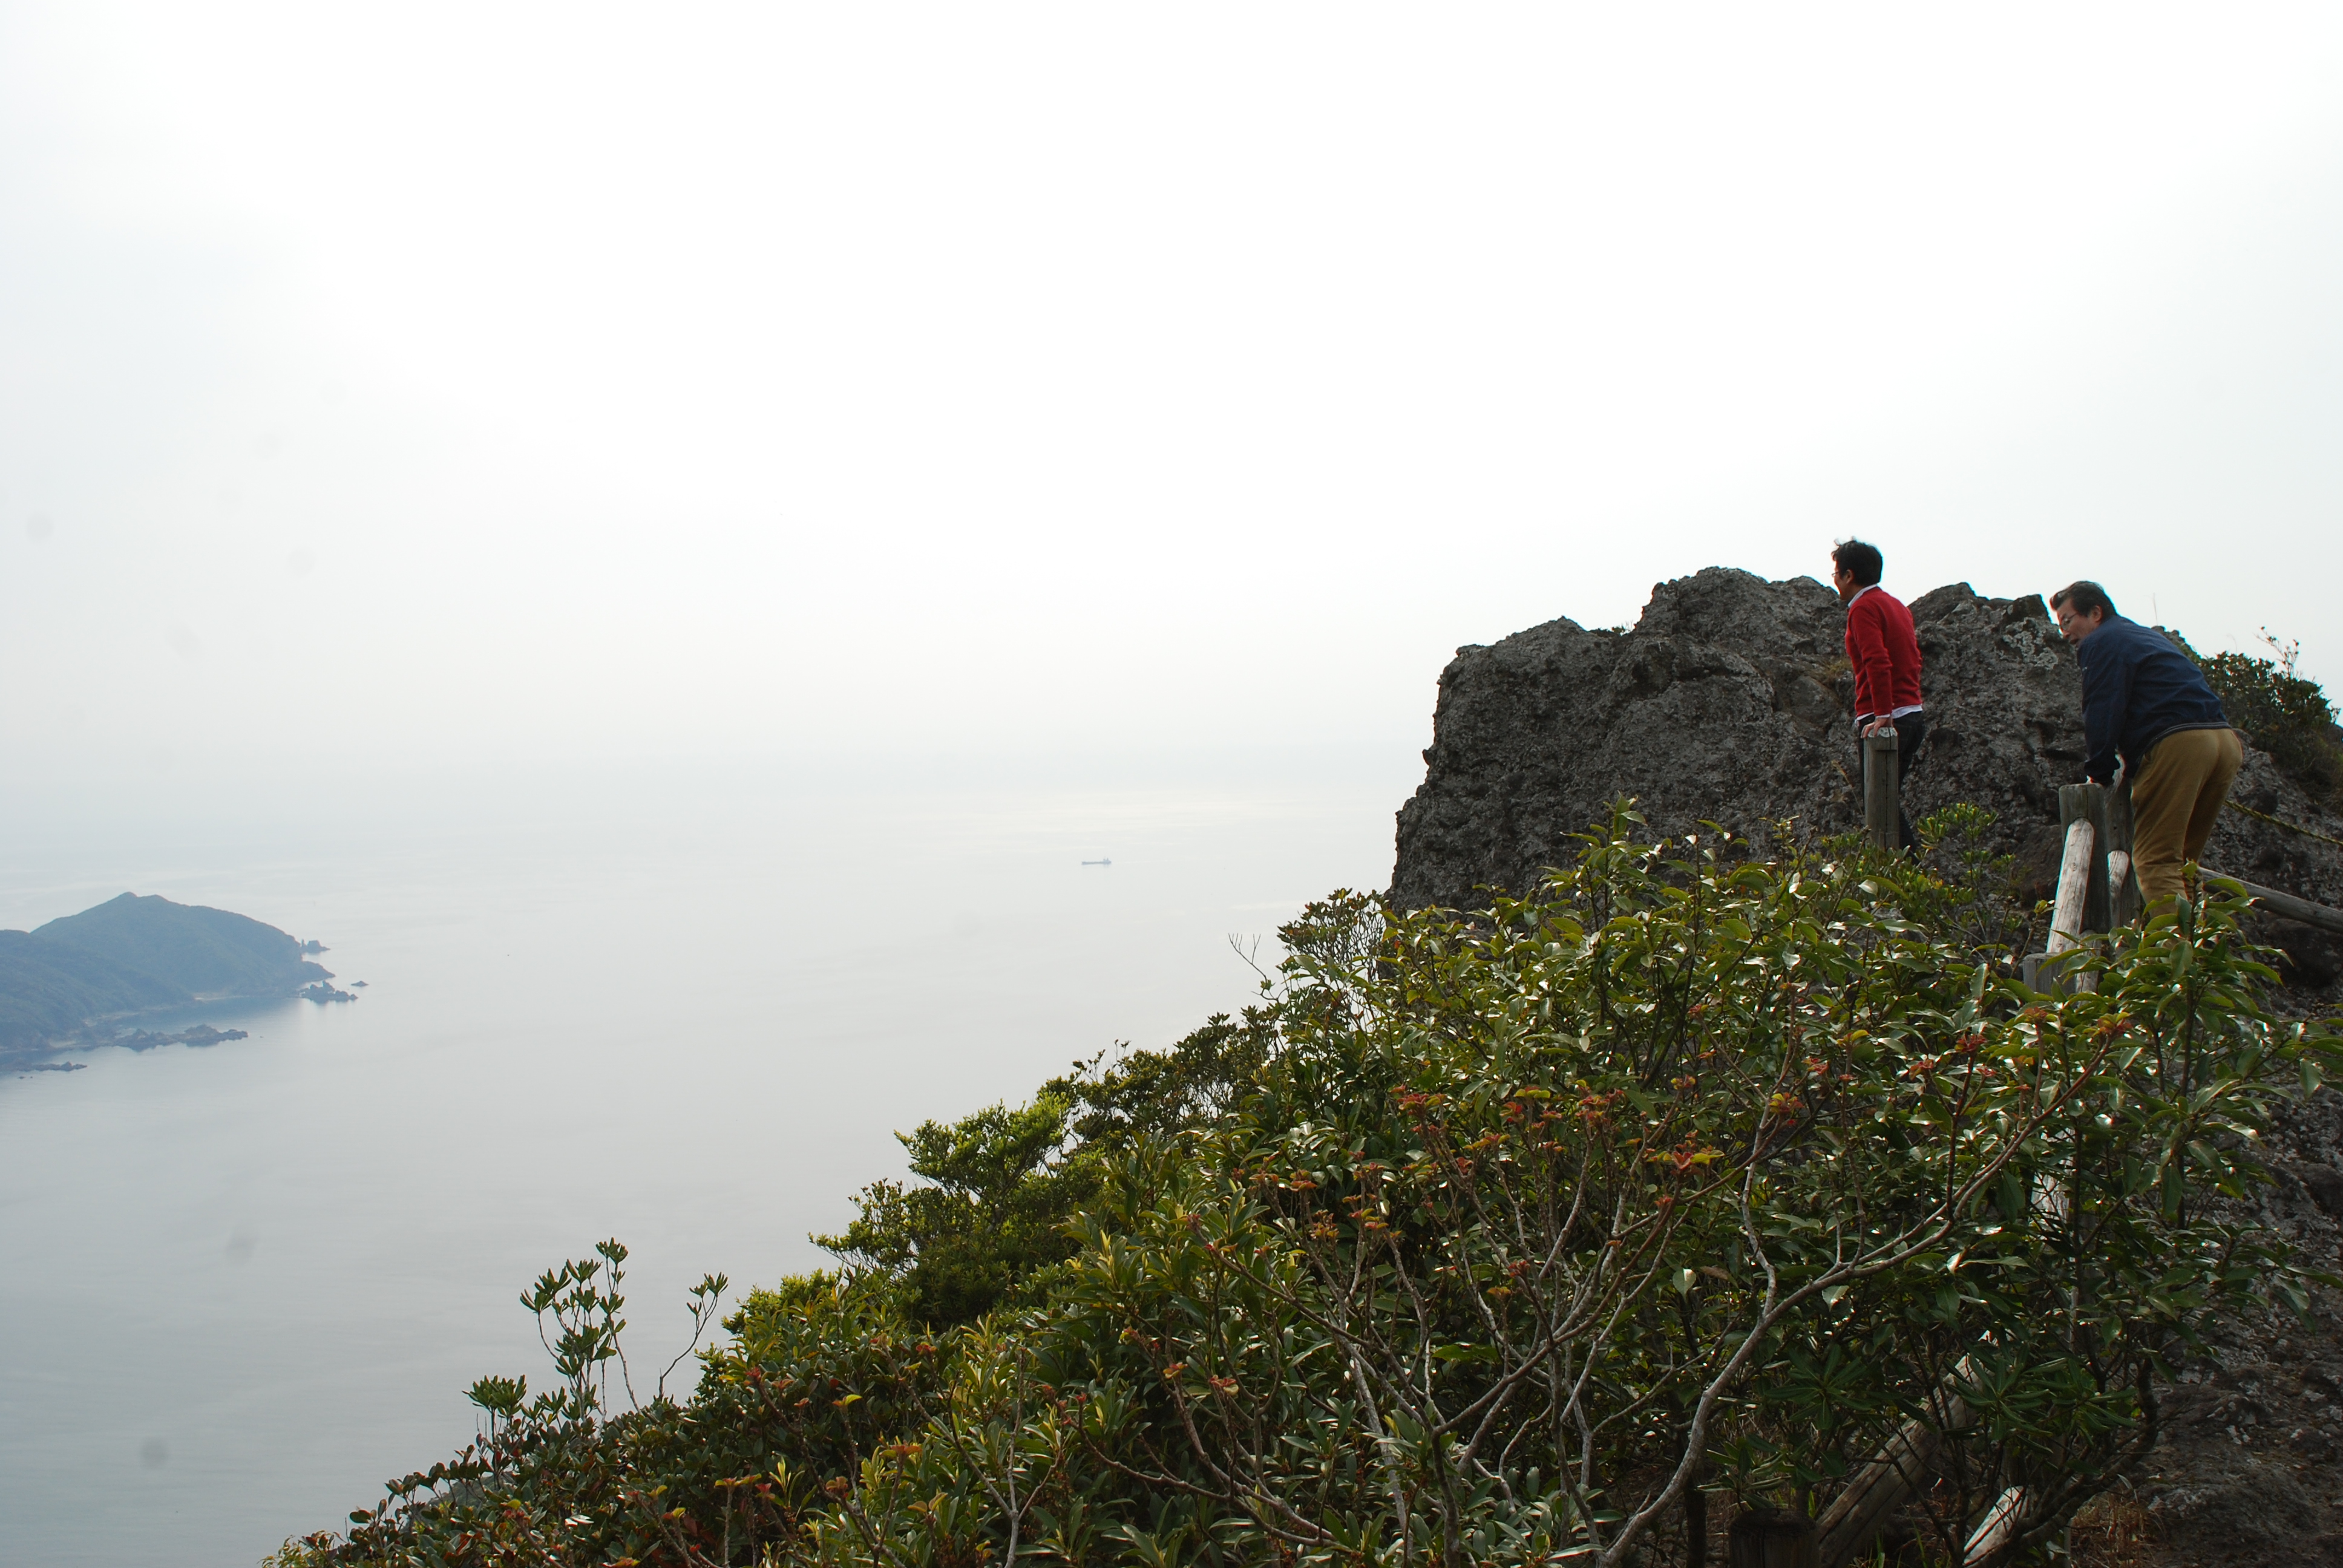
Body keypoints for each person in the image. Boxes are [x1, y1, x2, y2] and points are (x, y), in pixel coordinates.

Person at [2050, 581, 2242, 913]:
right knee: (2184, 865)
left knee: (2156, 862)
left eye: (2068, 620)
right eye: (2060, 625)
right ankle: (2199, 942)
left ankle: (2176, 948)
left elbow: (2102, 708)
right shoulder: (2141, 635)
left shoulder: (2100, 642)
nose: (2064, 633)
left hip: (2179, 744)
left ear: (2095, 613)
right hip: (2224, 743)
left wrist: (2100, 772)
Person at [1831, 538, 1925, 849]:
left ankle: (1910, 871)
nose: (1835, 580)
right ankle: (1908, 870)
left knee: (1880, 804)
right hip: (1911, 713)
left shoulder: (1862, 607)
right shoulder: (1896, 605)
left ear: (1848, 575)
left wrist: (1883, 713)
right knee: (1888, 800)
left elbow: (1877, 660)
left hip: (1885, 716)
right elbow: (1913, 658)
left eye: (1836, 573)